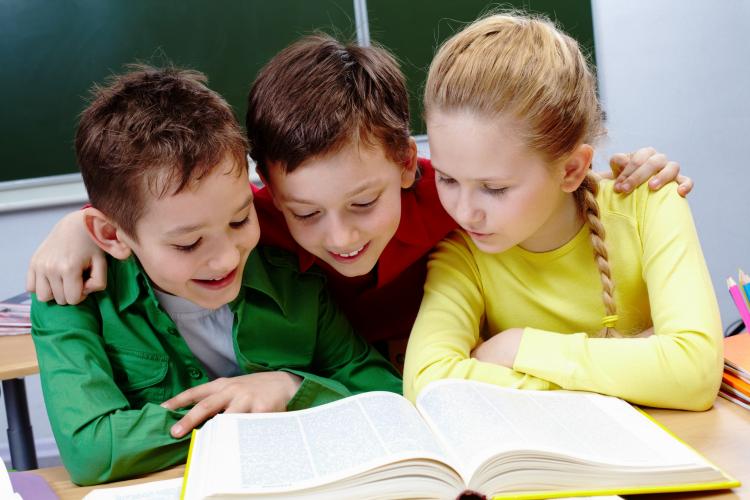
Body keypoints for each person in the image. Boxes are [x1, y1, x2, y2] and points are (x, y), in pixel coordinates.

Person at [27, 35, 690, 370]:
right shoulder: (246, 225)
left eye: (364, 203)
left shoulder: (452, 200)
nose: (338, 235)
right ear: (268, 186)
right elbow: (156, 206)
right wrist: (74, 229)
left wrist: (630, 173)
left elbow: (529, 180)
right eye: (304, 213)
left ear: (407, 164)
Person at [30, 65, 401, 485]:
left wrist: (288, 387)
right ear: (112, 235)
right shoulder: (70, 298)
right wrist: (246, 415)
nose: (226, 260)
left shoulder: (292, 276)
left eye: (241, 220)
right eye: (188, 244)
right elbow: (93, 450)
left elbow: (385, 394)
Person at [403, 13, 722, 411]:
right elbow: (428, 383)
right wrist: (642, 369)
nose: (465, 212)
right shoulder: (463, 252)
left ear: (571, 169)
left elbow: (694, 373)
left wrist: (518, 346)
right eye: (448, 179)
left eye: (494, 188)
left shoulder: (650, 201)